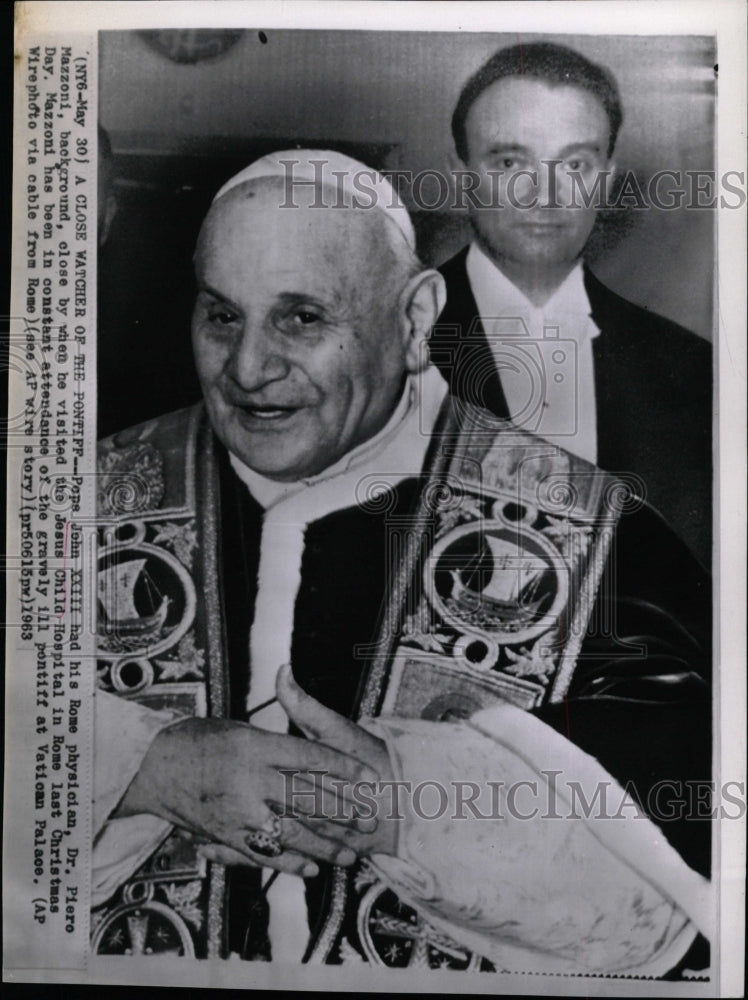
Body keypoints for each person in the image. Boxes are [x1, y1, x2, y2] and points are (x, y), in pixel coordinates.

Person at [92, 151, 711, 976]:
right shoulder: (74, 501)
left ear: (416, 320)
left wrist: (408, 806)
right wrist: (144, 765)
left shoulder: (602, 538)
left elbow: (696, 875)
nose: (247, 369)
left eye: (302, 318)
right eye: (221, 316)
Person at [430, 42, 712, 566]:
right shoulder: (384, 342)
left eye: (575, 163)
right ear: (459, 173)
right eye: (512, 161)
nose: (546, 193)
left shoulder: (692, 371)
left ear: (605, 178)